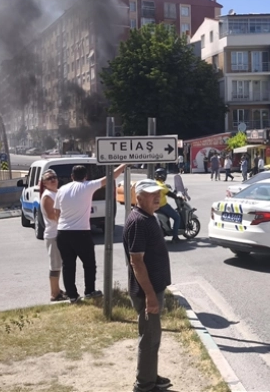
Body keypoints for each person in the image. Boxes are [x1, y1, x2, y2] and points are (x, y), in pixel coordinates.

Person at [123, 179, 174, 392]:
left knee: (153, 337)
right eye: (152, 194)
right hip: (146, 292)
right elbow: (136, 261)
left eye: (158, 193)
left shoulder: (148, 216)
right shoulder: (139, 221)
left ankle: (150, 375)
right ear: (139, 197)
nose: (157, 197)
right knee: (149, 338)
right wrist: (150, 296)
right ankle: (144, 385)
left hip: (153, 289)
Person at [55, 163, 127, 303]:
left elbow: (56, 212)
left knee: (68, 266)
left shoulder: (62, 190)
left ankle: (73, 296)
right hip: (81, 232)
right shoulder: (88, 186)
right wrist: (123, 164)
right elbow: (111, 176)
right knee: (89, 264)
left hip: (62, 232)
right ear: (86, 176)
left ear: (71, 176)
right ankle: (89, 291)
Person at [39, 169, 66, 302]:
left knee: (60, 264)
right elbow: (51, 215)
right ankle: (54, 294)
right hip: (53, 234)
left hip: (61, 232)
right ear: (44, 183)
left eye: (54, 177)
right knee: (55, 265)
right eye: (49, 178)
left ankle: (58, 290)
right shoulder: (47, 196)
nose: (53, 180)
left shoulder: (58, 192)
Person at [153, 168, 182, 243]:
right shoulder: (162, 186)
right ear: (163, 176)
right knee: (177, 218)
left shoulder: (154, 183)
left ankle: (167, 229)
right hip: (162, 206)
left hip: (155, 206)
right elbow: (170, 194)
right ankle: (175, 237)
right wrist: (178, 197)